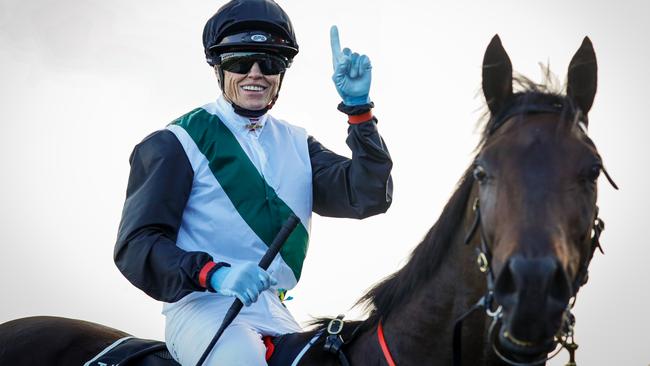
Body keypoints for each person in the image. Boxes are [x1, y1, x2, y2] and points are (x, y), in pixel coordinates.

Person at [114, 0, 393, 364]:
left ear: (282, 72)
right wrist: (214, 274)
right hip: (203, 308)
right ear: (218, 67)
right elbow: (136, 246)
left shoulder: (298, 144)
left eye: (271, 62)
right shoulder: (175, 143)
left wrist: (359, 111)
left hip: (275, 311)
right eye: (241, 61)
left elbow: (368, 195)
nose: (256, 73)